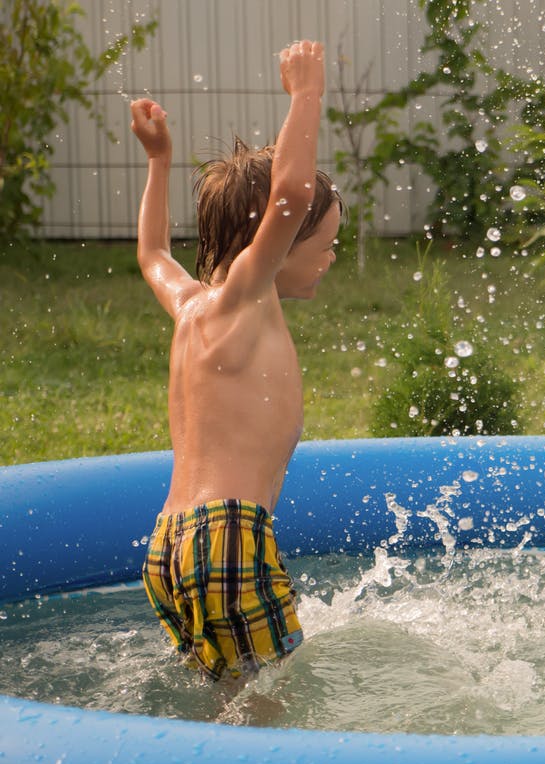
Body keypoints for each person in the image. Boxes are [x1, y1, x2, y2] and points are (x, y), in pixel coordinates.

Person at [129, 40, 341, 680]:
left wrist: (160, 161)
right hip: (228, 533)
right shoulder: (247, 297)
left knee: (232, 700)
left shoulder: (193, 306)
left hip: (169, 546)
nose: (330, 257)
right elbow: (290, 196)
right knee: (271, 711)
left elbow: (151, 256)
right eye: (325, 243)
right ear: (271, 246)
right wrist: (306, 97)